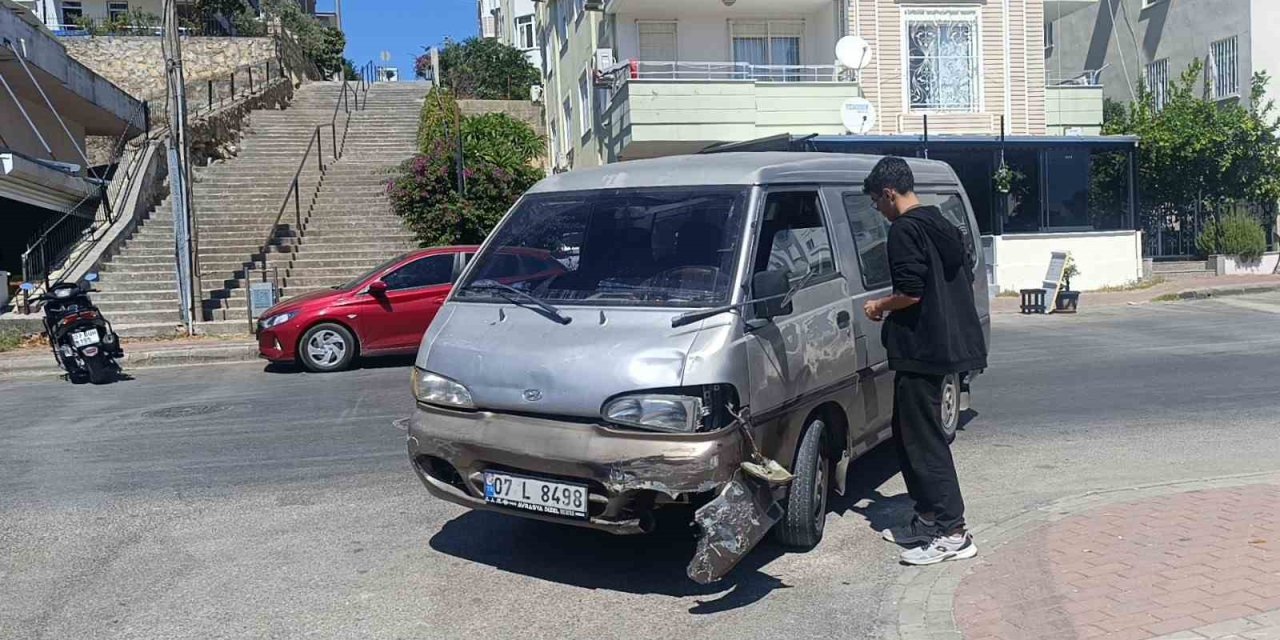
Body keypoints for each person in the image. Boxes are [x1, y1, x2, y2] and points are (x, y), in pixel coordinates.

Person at [861, 157, 988, 566]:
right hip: (945, 346)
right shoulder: (941, 223)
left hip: (921, 350)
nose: (878, 212)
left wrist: (879, 305)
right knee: (908, 432)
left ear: (888, 193)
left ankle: (953, 533)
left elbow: (912, 292)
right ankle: (929, 517)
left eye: (876, 204)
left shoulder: (904, 231)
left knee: (924, 441)